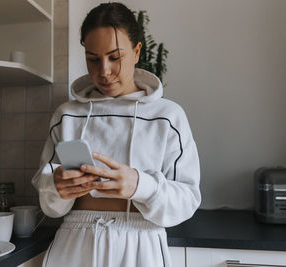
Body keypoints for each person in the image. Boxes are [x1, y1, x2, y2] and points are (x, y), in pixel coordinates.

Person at [32, 2, 201, 266]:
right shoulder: (67, 115)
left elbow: (187, 200)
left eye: (114, 57)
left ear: (136, 52)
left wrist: (140, 185)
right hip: (74, 246)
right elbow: (50, 207)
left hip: (140, 246)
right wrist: (56, 185)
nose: (104, 71)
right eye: (93, 59)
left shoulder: (168, 116)